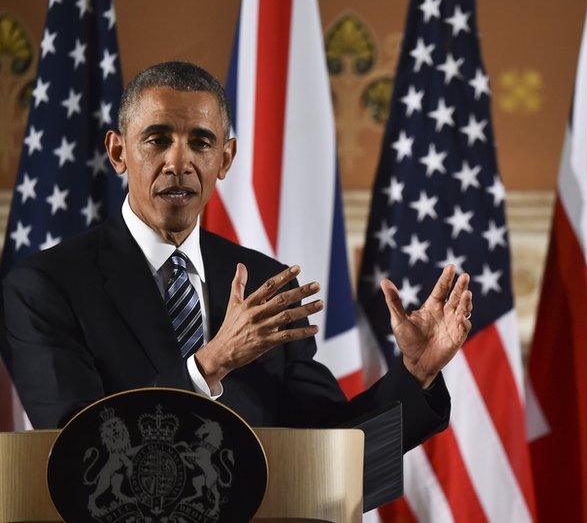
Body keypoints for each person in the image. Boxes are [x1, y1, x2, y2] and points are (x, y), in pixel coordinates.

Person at [1, 62, 472, 451]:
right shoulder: (45, 285)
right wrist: (209, 364)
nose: (179, 161)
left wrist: (418, 374)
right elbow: (77, 448)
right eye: (157, 139)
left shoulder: (268, 285)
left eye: (201, 142)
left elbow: (331, 449)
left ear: (225, 160)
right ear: (118, 151)